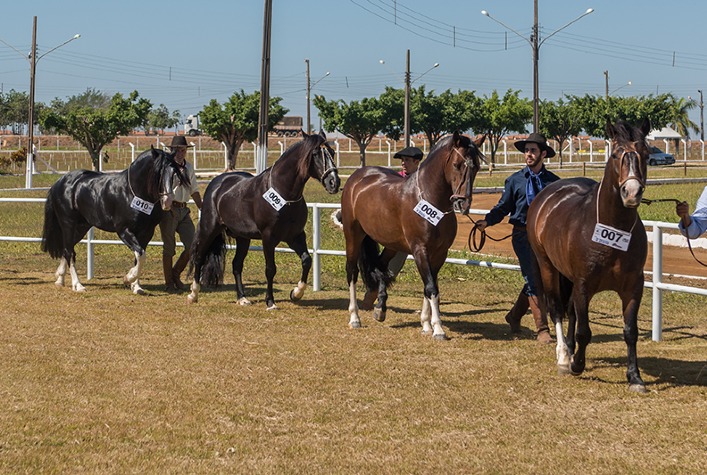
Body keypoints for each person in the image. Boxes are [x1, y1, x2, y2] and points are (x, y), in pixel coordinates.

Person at [475, 133, 560, 344]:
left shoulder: (554, 183)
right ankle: (542, 329)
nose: (528, 154)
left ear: (542, 154)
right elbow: (504, 207)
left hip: (548, 239)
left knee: (543, 279)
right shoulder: (514, 180)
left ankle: (514, 316)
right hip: (522, 236)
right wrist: (487, 221)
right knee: (533, 279)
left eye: (532, 150)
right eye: (526, 150)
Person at [360, 146, 423, 310]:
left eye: (407, 160)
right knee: (388, 264)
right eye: (402, 160)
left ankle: (429, 306)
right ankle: (372, 295)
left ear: (417, 162)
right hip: (394, 230)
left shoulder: (424, 181)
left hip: (418, 233)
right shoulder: (396, 179)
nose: (403, 163)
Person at [160, 135, 203, 293]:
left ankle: (175, 273)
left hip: (184, 210)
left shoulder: (189, 167)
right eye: (177, 150)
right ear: (171, 151)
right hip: (169, 210)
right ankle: (168, 282)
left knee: (192, 244)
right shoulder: (167, 168)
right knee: (169, 248)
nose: (180, 153)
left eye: (183, 150)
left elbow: (194, 190)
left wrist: (203, 208)